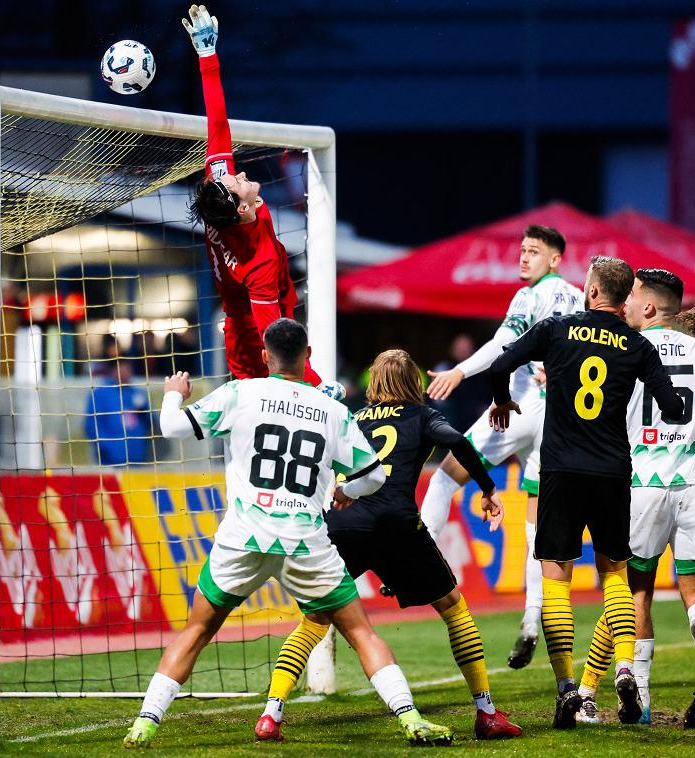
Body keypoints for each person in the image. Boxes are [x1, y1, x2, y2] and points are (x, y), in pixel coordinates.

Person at [124, 318, 452, 748]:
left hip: (244, 535)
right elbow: (373, 478)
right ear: (308, 355)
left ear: (264, 355)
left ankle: (145, 724)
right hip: (305, 537)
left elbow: (172, 428)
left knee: (198, 629)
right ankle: (410, 719)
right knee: (360, 631)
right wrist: (345, 491)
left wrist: (173, 394)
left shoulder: (241, 392)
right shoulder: (332, 410)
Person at [255, 349, 521, 742]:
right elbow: (458, 444)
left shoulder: (354, 418)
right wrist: (486, 487)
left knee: (316, 617)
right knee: (452, 606)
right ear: (412, 381)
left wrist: (339, 491)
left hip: (345, 525)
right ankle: (485, 712)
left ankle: (271, 714)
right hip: (397, 526)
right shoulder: (422, 416)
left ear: (374, 383)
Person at [487, 256, 683, 730]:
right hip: (613, 471)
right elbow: (674, 408)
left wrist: (501, 400)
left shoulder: (556, 329)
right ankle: (622, 668)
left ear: (593, 292)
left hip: (560, 470)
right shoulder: (637, 345)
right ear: (622, 298)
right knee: (615, 574)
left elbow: (500, 364)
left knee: (556, 577)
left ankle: (566, 688)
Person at [568, 272, 695, 729]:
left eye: (632, 296)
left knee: (635, 591)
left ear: (649, 306)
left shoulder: (624, 348)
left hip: (642, 481)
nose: (624, 303)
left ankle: (640, 699)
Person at [421, 225, 583, 668]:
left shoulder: (529, 297)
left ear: (554, 259)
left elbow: (501, 345)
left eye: (533, 251)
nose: (523, 258)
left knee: (443, 478)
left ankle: (416, 560)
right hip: (561, 420)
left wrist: (460, 372)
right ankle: (532, 620)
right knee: (536, 519)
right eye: (522, 250)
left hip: (519, 406)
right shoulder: (579, 297)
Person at [183, 4, 324, 389]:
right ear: (244, 208)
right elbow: (273, 337)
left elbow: (217, 125)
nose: (240, 174)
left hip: (244, 324)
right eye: (238, 182)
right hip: (255, 342)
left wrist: (208, 57)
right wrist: (315, 383)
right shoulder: (257, 262)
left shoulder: (221, 197)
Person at [85, 356, 151, 466]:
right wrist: (108, 448)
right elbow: (91, 425)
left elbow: (151, 424)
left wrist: (145, 411)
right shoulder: (100, 394)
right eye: (122, 368)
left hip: (138, 458)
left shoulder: (137, 394)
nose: (126, 372)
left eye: (128, 369)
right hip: (109, 461)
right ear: (113, 370)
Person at [429, 334, 489, 430]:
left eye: (466, 348)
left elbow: (485, 401)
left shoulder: (480, 374)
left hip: (473, 425)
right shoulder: (443, 369)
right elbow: (437, 402)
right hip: (449, 423)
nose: (463, 352)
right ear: (452, 349)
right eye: (460, 348)